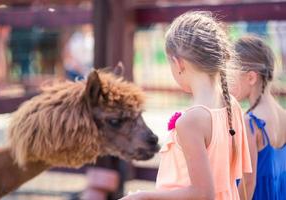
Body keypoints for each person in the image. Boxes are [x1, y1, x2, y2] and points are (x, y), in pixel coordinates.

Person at [120, 11, 251, 200]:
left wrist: (143, 197)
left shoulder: (191, 121)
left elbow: (203, 193)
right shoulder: (232, 105)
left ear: (178, 63)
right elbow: (243, 177)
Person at [233, 35, 286, 200]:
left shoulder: (250, 123)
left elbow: (248, 183)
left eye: (231, 75)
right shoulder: (283, 115)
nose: (227, 82)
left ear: (251, 77)